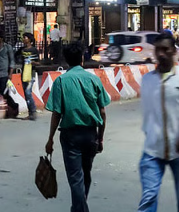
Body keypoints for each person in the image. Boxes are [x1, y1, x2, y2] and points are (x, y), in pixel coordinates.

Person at [137, 33, 179, 212]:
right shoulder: (147, 80)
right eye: (157, 49)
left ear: (174, 51)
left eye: (165, 49)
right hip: (152, 151)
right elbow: (148, 114)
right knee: (148, 199)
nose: (160, 54)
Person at [45, 42, 110, 212]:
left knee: (76, 178)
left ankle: (80, 209)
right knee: (85, 174)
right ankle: (79, 208)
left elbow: (56, 114)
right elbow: (102, 113)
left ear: (66, 60)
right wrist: (100, 137)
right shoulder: (94, 79)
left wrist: (50, 139)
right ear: (82, 59)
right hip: (91, 134)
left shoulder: (60, 81)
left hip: (70, 136)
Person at [16, 33, 40, 120]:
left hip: (31, 74)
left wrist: (33, 63)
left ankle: (33, 111)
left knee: (28, 92)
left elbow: (39, 62)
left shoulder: (34, 50)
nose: (23, 39)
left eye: (25, 38)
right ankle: (30, 113)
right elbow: (16, 56)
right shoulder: (22, 50)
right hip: (24, 74)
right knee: (26, 94)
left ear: (29, 39)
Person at [0, 32, 15, 98]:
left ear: (1, 38)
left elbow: (12, 61)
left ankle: (14, 106)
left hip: (5, 74)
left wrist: (10, 74)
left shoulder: (8, 47)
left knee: (4, 93)